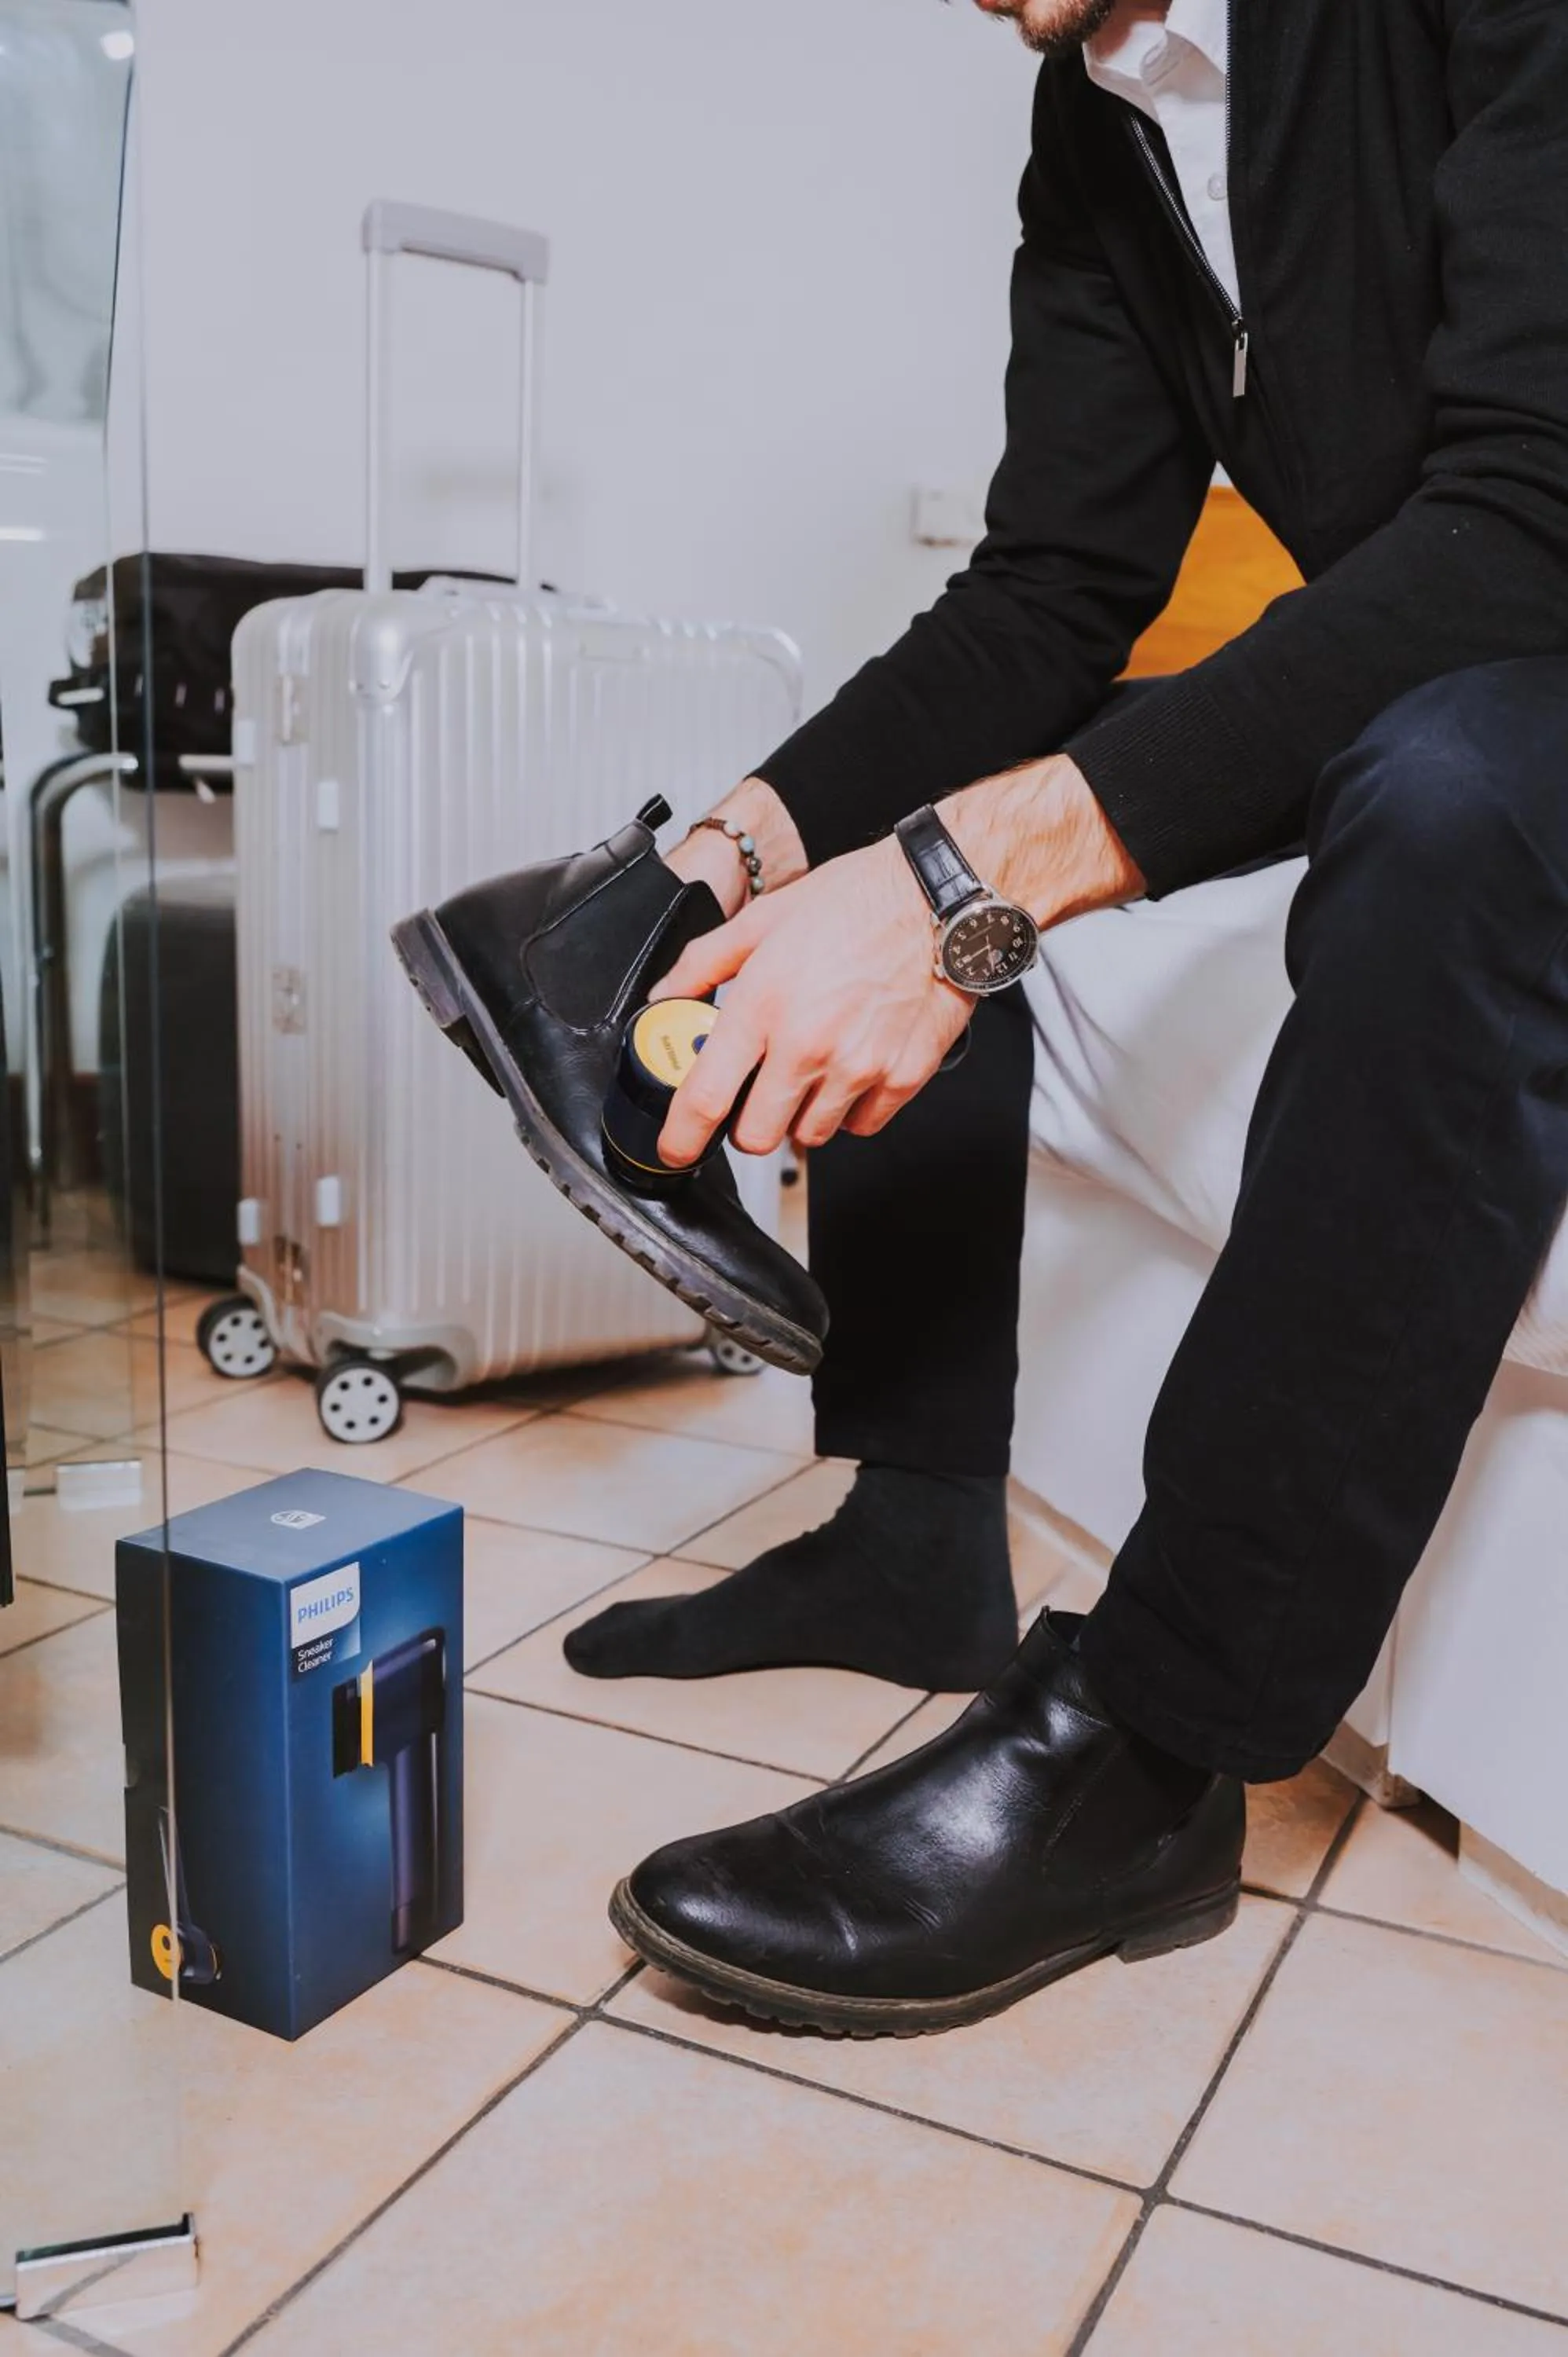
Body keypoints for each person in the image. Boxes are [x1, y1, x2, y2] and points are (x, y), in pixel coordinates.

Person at [398, 0, 1568, 2033]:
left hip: (1513, 650)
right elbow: (1051, 585)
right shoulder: (1093, 117)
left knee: (1439, 799)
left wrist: (958, 888)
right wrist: (727, 868)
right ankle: (914, 1528)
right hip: (1464, 652)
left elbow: (1526, 522)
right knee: (1033, 794)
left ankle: (1146, 1754)